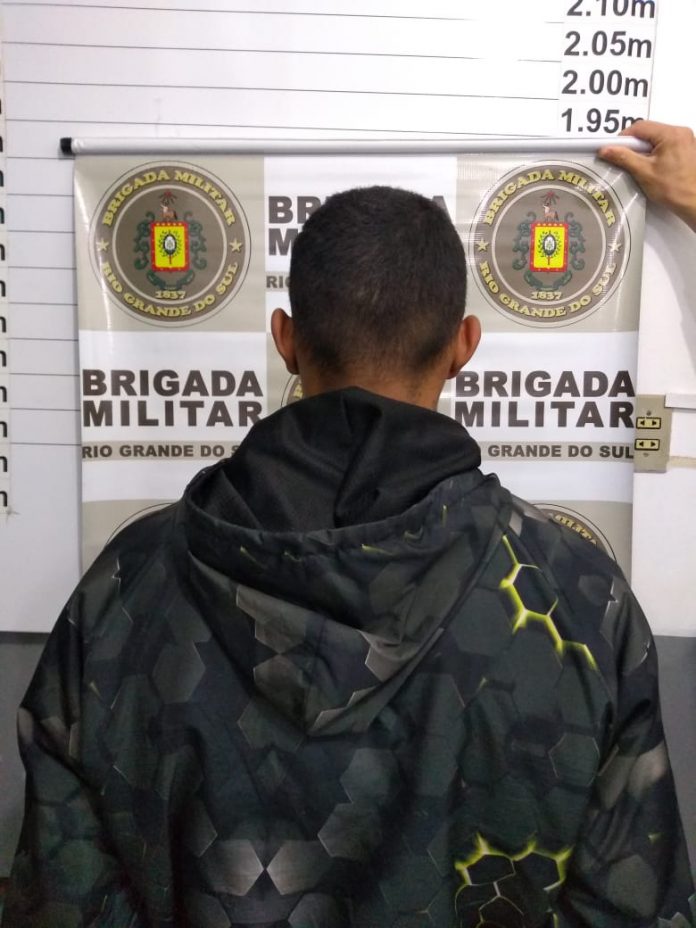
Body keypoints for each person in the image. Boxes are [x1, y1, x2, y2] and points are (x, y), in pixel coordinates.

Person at [3, 122, 695, 928]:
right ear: (465, 346)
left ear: (286, 341)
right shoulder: (577, 600)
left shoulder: (126, 590)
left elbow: (64, 902)